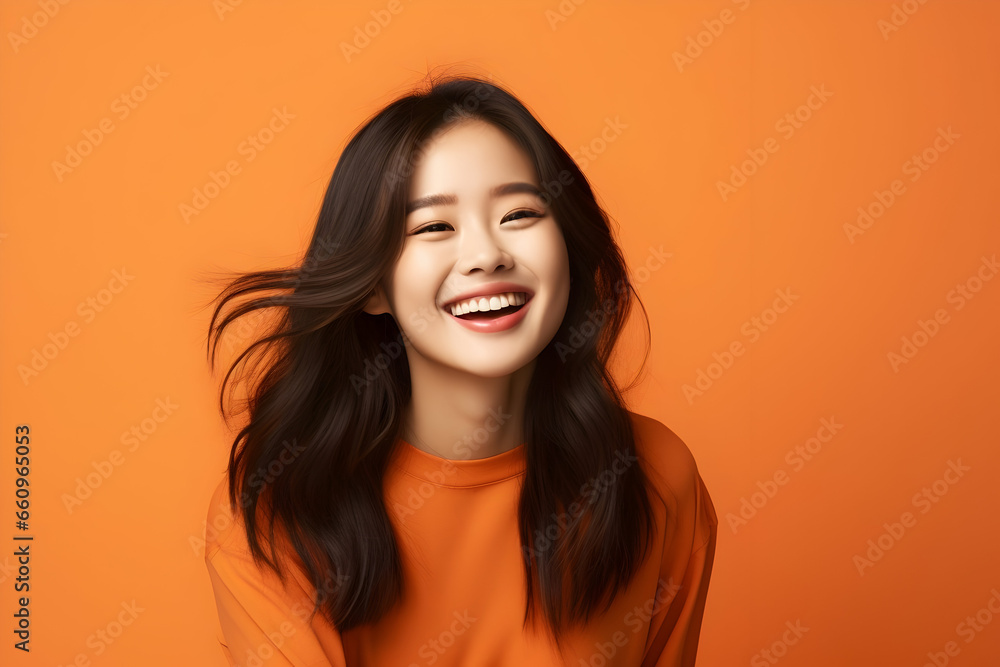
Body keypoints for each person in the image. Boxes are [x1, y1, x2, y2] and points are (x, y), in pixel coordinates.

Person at [202, 70, 718, 667]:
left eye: (520, 214)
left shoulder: (655, 476)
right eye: (434, 227)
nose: (485, 255)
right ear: (372, 285)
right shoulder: (279, 509)